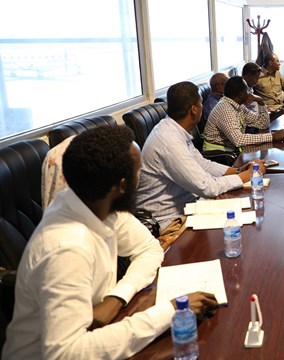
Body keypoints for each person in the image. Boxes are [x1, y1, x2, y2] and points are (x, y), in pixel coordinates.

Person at [2, 126, 219, 359]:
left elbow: (149, 249)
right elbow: (66, 352)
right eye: (139, 171)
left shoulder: (96, 203)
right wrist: (171, 311)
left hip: (96, 330)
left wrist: (117, 296)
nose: (142, 176)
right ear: (122, 186)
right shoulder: (66, 247)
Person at [136, 81, 266, 228]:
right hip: (169, 221)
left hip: (189, 207)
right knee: (238, 224)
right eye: (201, 103)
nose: (202, 107)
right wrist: (248, 175)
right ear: (194, 109)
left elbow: (202, 164)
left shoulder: (174, 129)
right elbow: (207, 187)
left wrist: (237, 171)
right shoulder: (169, 141)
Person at [203, 76, 284, 151]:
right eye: (247, 90)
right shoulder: (225, 109)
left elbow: (263, 124)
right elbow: (238, 140)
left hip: (231, 149)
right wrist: (272, 136)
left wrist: (261, 102)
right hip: (219, 154)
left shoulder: (238, 105)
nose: (250, 93)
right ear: (241, 95)